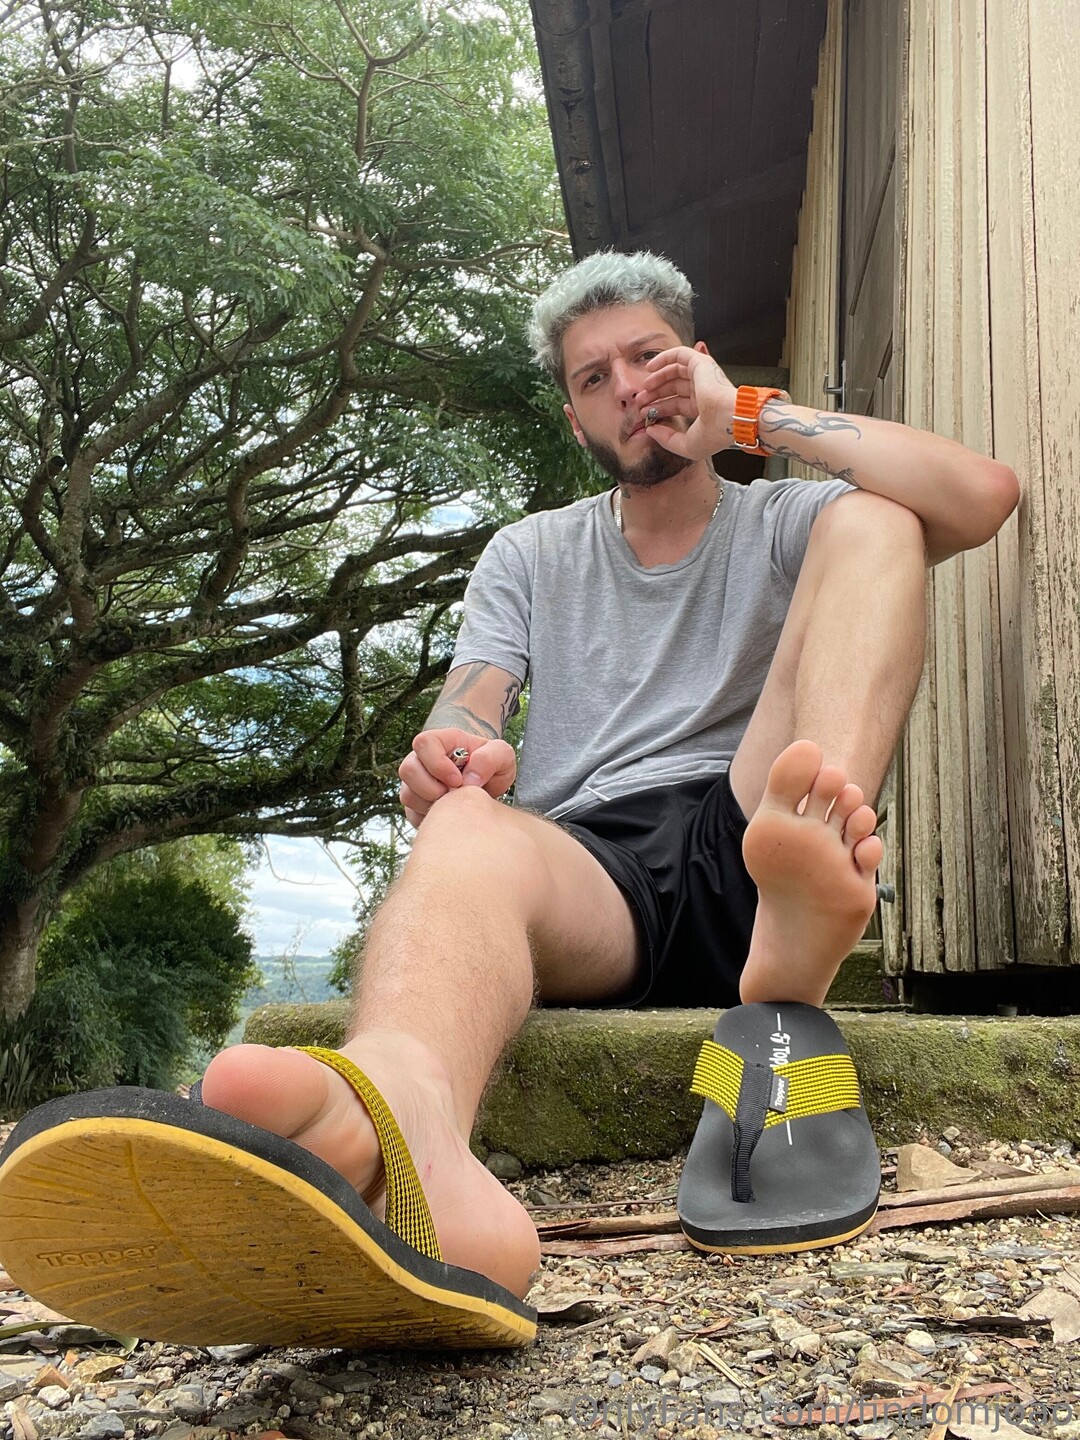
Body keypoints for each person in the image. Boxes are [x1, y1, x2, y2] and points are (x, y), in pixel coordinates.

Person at [198, 251, 1020, 1300]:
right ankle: (400, 1130)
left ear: (702, 364)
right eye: (596, 378)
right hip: (593, 867)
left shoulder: (781, 519)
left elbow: (981, 496)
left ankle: (807, 888)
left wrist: (752, 417)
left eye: (650, 358)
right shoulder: (527, 553)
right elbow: (469, 702)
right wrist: (454, 753)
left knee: (879, 513)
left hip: (754, 819)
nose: (629, 388)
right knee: (462, 829)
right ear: (575, 417)